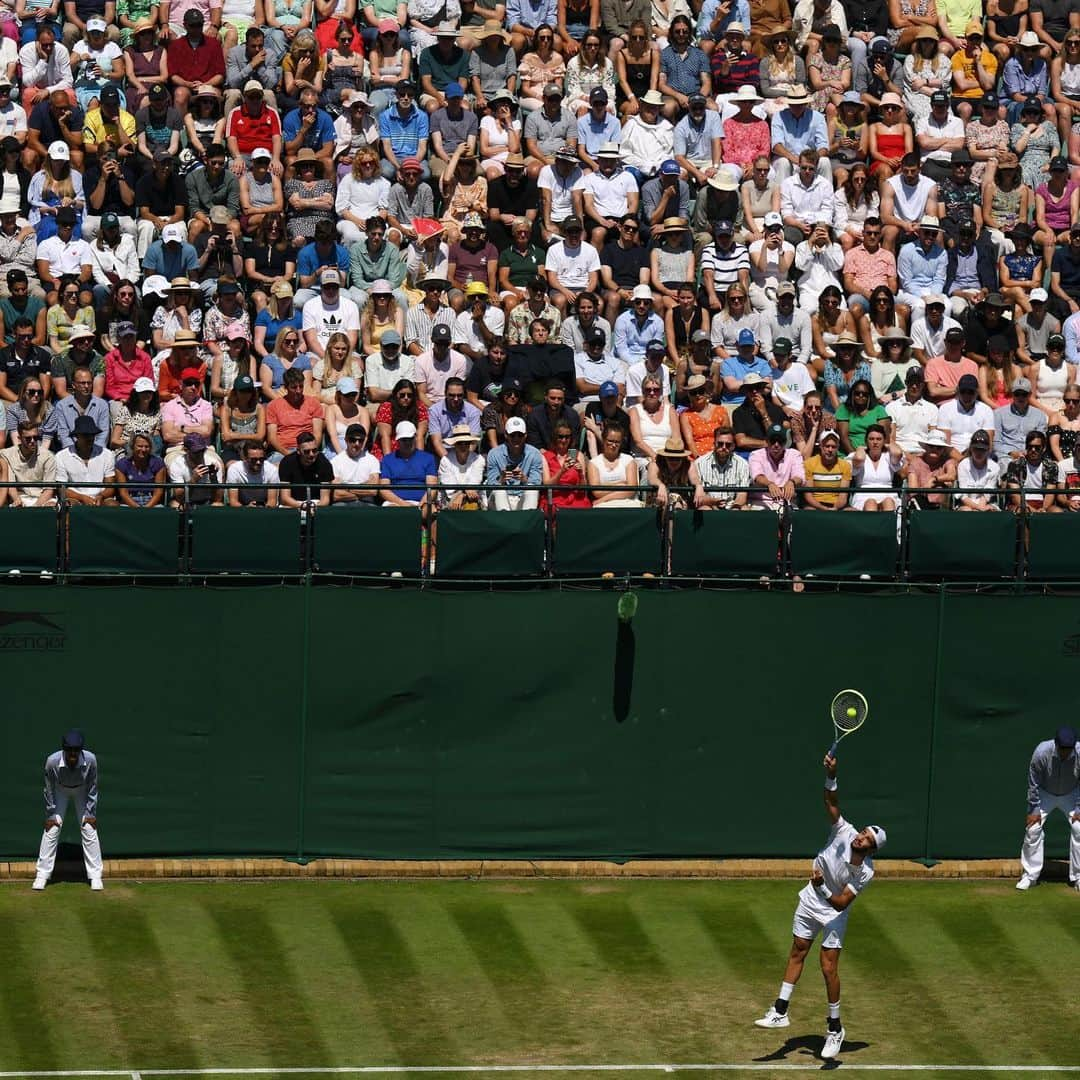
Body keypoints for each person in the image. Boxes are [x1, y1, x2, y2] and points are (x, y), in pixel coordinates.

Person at [754, 751, 885, 1061]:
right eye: (863, 832)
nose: (860, 837)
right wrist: (832, 776)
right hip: (811, 900)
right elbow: (831, 802)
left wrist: (821, 885)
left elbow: (840, 903)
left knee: (828, 969)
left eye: (866, 839)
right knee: (798, 949)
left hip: (832, 911)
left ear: (871, 850)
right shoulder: (844, 831)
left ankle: (835, 1028)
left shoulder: (866, 872)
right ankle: (780, 1010)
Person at [33, 728, 104, 891]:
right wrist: (51, 814)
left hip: (82, 790)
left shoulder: (91, 760)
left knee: (88, 828)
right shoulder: (52, 761)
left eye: (76, 751)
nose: (73, 754)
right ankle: (42, 875)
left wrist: (90, 813)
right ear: (64, 749)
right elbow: (49, 788)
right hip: (60, 790)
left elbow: (93, 787)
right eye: (69, 750)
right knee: (52, 829)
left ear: (80, 750)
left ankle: (95, 876)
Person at [1017, 725, 1080, 892]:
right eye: (1063, 749)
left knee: (1079, 828)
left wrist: (1079, 808)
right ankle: (1030, 875)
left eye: (1069, 749)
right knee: (1033, 828)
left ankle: (1078, 877)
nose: (1066, 752)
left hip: (1072, 793)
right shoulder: (1041, 752)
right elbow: (1033, 782)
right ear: (1056, 745)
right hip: (1045, 793)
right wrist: (1034, 809)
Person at [690, 424, 749, 508]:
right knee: (704, 509)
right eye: (720, 444)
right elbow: (700, 498)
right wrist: (714, 502)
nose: (724, 447)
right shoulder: (699, 463)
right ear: (714, 443)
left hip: (733, 506)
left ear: (733, 446)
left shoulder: (743, 464)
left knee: (745, 509)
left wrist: (733, 508)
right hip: (709, 505)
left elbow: (742, 496)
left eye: (728, 445)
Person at [279, 429, 333, 509]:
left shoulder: (324, 463)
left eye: (314, 450)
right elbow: (285, 498)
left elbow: (325, 500)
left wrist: (313, 506)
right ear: (298, 451)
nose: (311, 454)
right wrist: (302, 506)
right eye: (307, 451)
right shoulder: (287, 462)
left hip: (316, 503)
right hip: (293, 503)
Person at [802, 427, 851, 509]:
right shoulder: (809, 464)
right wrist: (823, 508)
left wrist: (834, 508)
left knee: (851, 511)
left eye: (833, 447)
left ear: (838, 448)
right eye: (827, 446)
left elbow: (843, 497)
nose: (830, 450)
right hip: (815, 504)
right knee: (809, 510)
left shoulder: (845, 465)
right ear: (821, 446)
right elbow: (808, 496)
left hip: (837, 504)